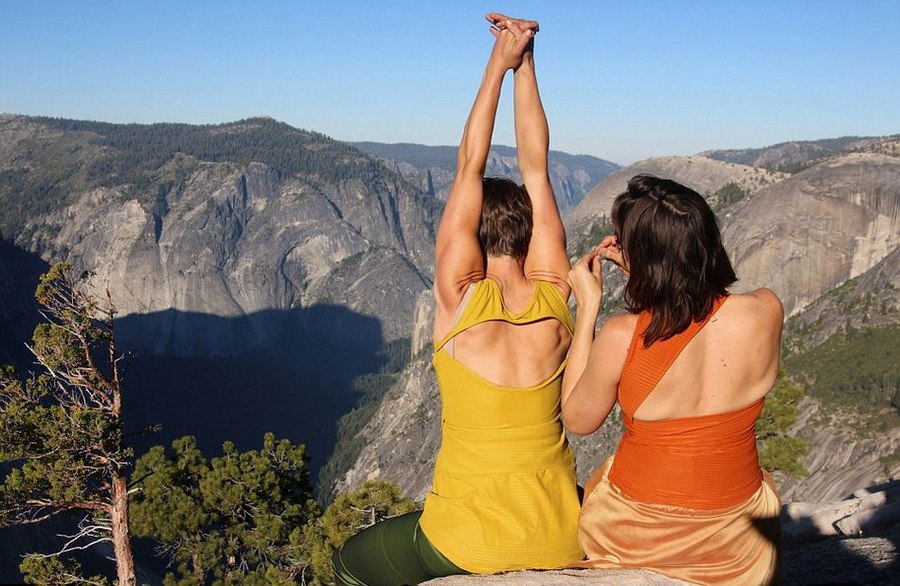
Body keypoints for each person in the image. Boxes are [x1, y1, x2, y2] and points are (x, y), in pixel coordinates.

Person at [330, 13, 583, 586]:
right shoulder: (556, 298)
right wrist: (529, 63)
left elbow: (470, 162)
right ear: (529, 231)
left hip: (467, 543)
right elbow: (537, 169)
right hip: (563, 536)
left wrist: (500, 61)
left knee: (346, 564)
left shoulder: (461, 300)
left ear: (471, 236)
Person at [562, 174, 784, 585]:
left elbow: (578, 418)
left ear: (643, 259)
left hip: (639, 536)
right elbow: (694, 316)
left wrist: (587, 307)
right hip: (738, 540)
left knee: (607, 476)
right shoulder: (766, 309)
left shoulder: (623, 335)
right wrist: (650, 267)